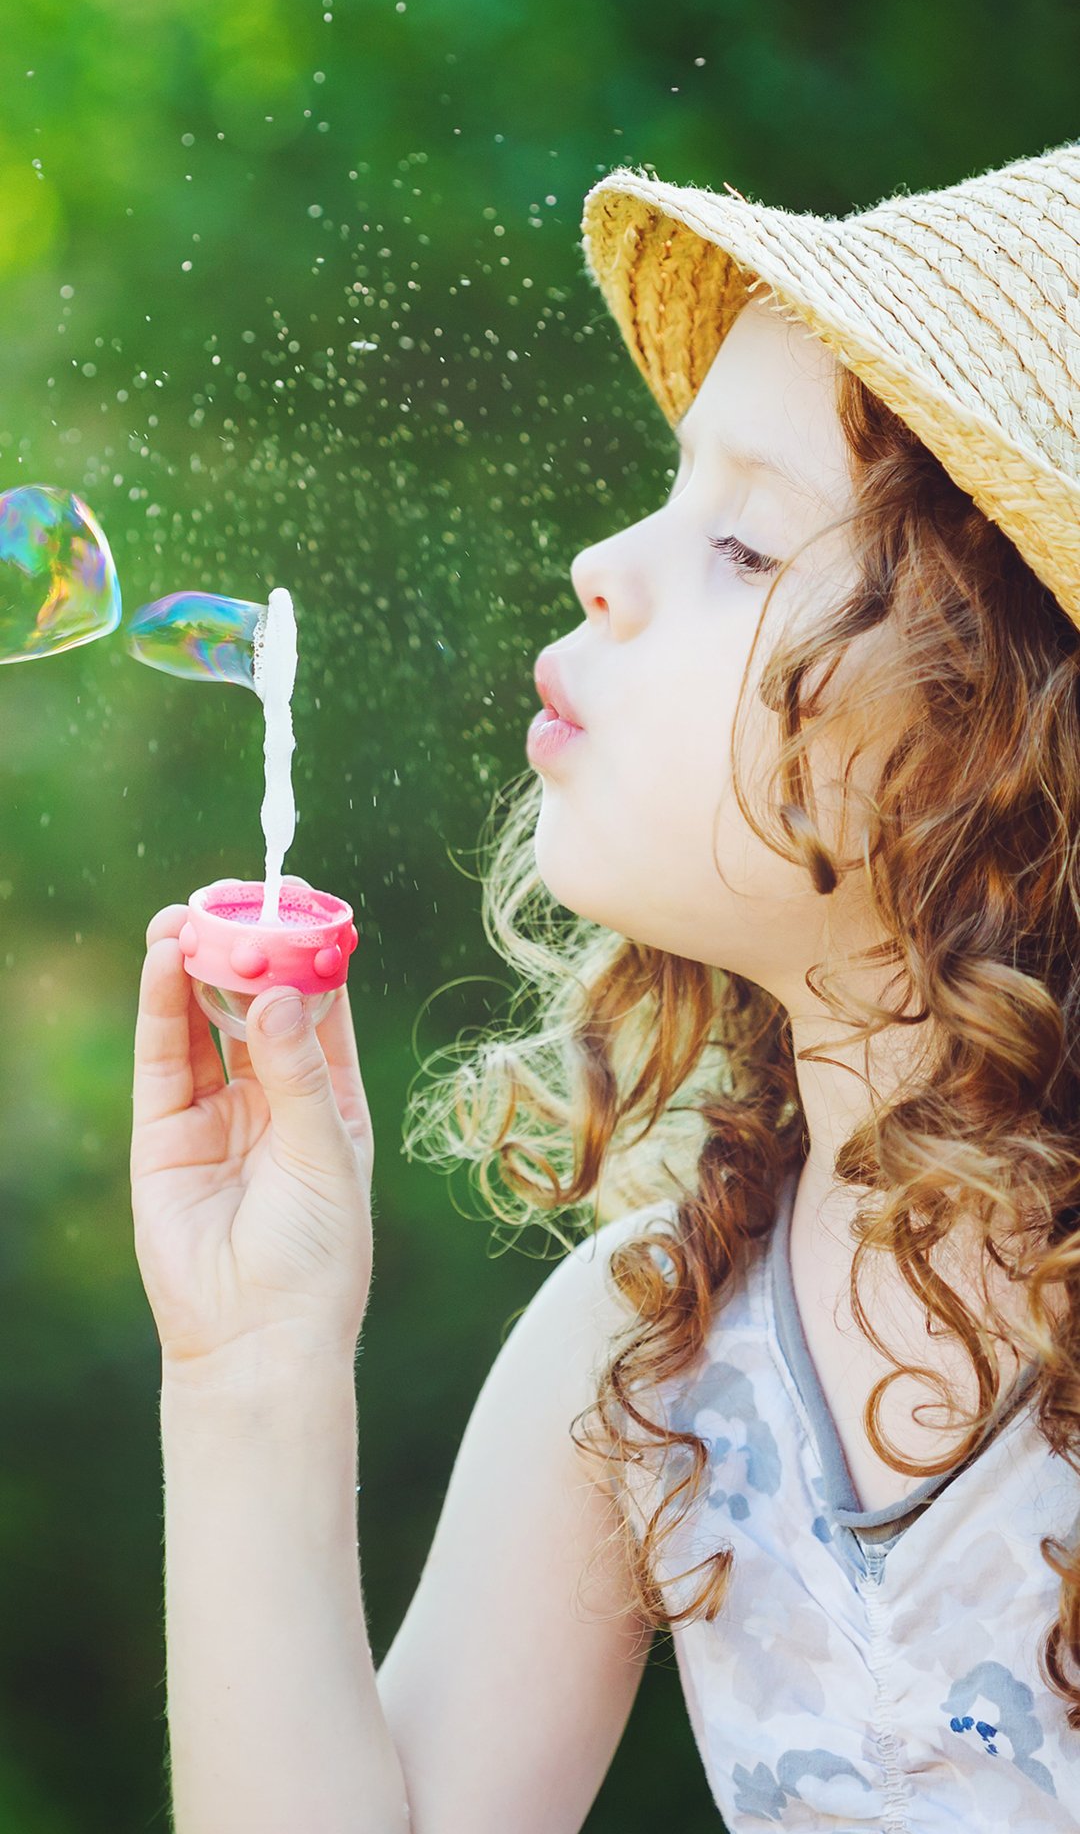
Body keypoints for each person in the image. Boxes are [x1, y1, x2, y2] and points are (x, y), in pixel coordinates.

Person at [130, 136, 1080, 1832]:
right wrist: (250, 1367)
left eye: (744, 547)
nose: (606, 566)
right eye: (671, 491)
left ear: (1004, 735)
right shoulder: (663, 1338)